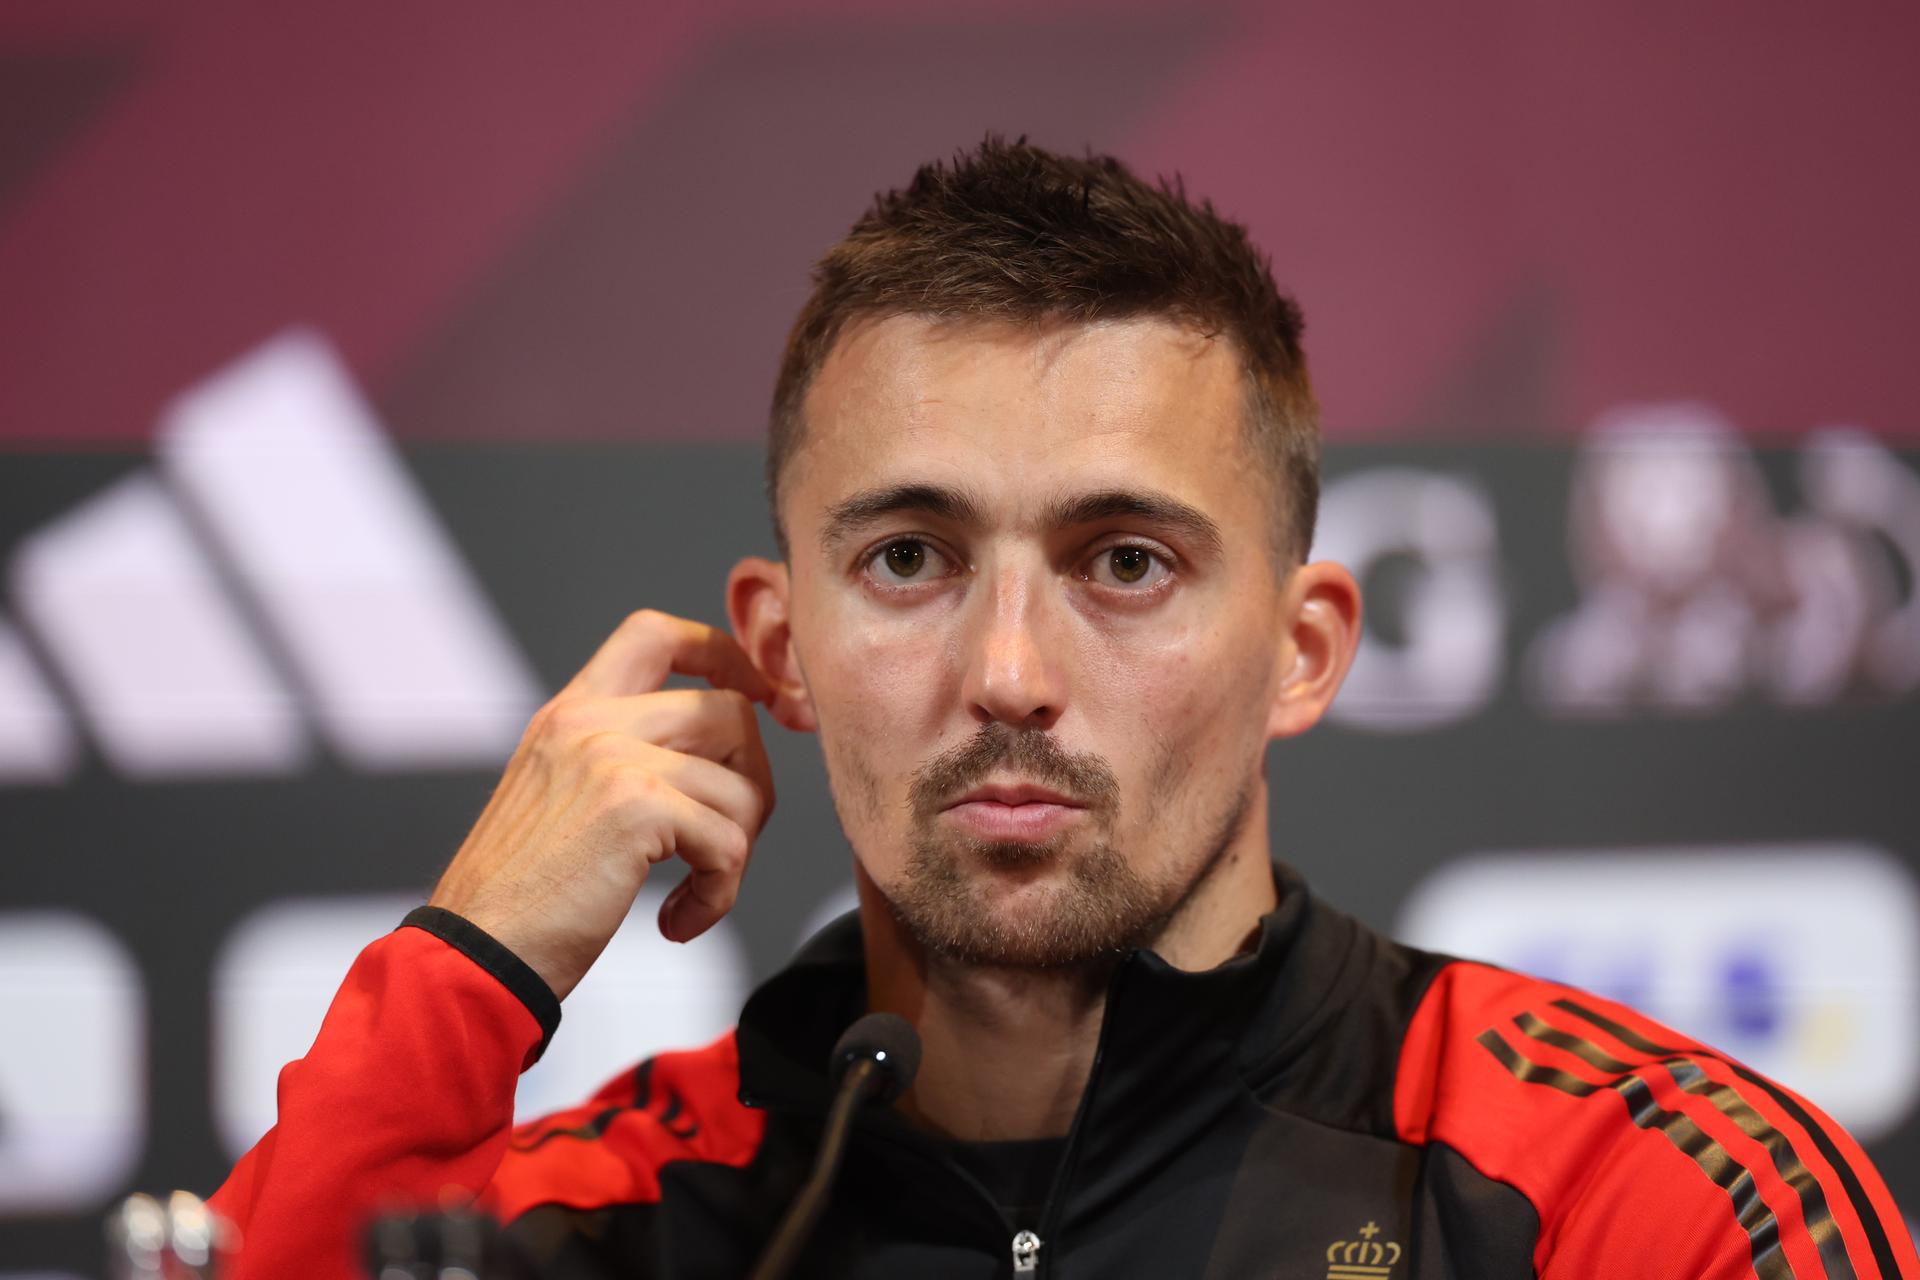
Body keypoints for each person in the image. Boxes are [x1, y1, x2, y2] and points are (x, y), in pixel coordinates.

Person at [207, 135, 1915, 1279]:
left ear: (1306, 649)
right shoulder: (598, 1228)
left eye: (1123, 564)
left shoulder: (1649, 1202)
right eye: (906, 562)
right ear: (779, 648)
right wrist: (468, 966)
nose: (1009, 675)